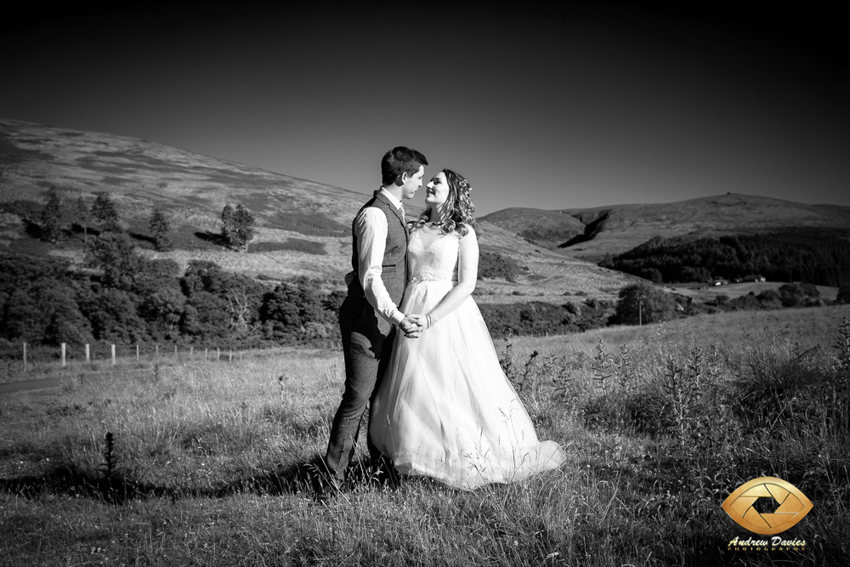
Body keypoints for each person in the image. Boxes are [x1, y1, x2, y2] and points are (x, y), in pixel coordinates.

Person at [370, 169, 566, 490]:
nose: (429, 185)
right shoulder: (415, 227)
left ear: (453, 192)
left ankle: (462, 455)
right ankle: (417, 455)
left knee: (451, 384)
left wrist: (432, 318)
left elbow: (467, 284)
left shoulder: (464, 232)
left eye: (437, 182)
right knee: (413, 383)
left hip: (446, 312)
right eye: (428, 180)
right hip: (411, 305)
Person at [324, 146, 428, 488]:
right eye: (418, 177)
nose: (420, 185)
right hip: (368, 322)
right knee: (357, 398)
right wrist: (397, 316)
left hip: (386, 321)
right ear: (402, 176)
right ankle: (331, 483)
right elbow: (370, 277)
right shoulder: (375, 215)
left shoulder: (394, 211)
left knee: (381, 398)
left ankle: (380, 471)